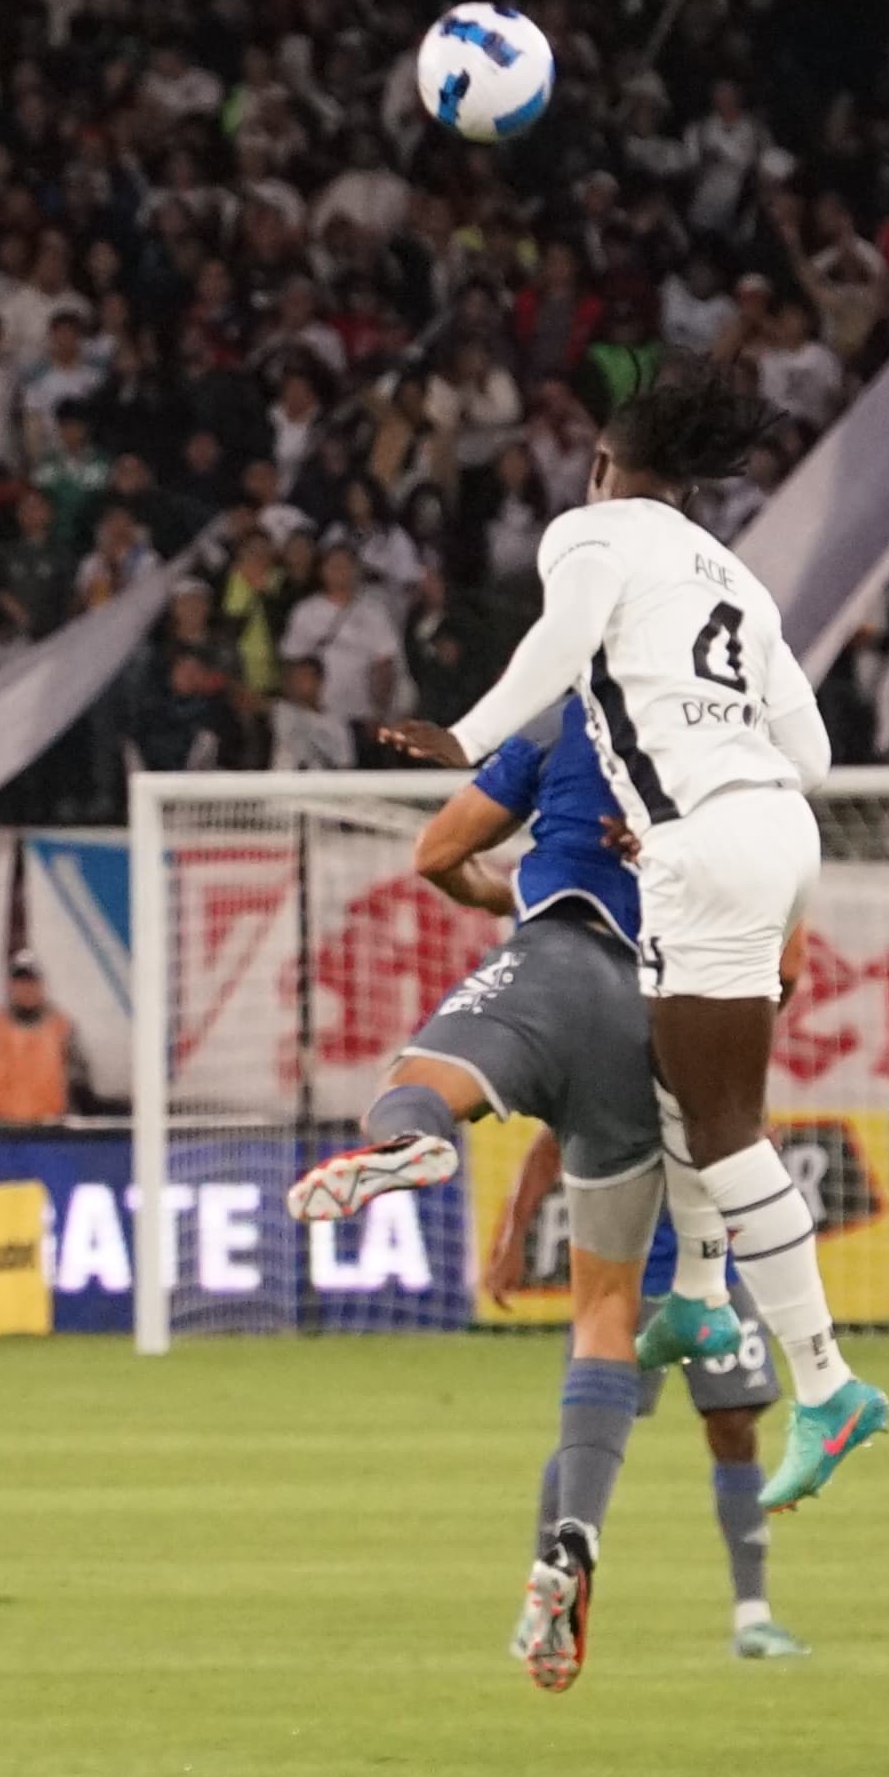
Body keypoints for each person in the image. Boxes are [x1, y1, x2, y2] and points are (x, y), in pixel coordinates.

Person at [378, 365, 884, 1515]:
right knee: (673, 1081)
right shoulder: (737, 579)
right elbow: (813, 758)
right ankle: (698, 1293)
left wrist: (468, 732)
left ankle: (829, 1385)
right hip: (771, 837)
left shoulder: (589, 532)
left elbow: (563, 639)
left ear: (604, 465)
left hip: (707, 849)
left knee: (729, 1133)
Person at [296, 689, 749, 1687]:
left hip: (551, 962)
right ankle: (573, 1538)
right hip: (649, 1019)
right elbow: (778, 951)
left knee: (412, 1086)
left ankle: (419, 1141)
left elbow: (435, 853)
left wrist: (510, 888)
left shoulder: (567, 717)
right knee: (605, 1310)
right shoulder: (735, 749)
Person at [490, 1117, 805, 1661]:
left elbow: (756, 1137)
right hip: (622, 1282)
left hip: (713, 1279)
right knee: (587, 1436)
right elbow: (547, 1149)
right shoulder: (613, 1081)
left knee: (735, 1425)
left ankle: (754, 1616)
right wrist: (512, 1237)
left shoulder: (712, 1078)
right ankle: (543, 1605)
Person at [0, 953, 96, 1122]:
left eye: (31, 982)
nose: (26, 989)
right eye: (20, 983)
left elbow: (80, 1083)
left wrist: (93, 1127)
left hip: (49, 1129)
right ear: (9, 986)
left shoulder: (61, 1028)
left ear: (41, 986)